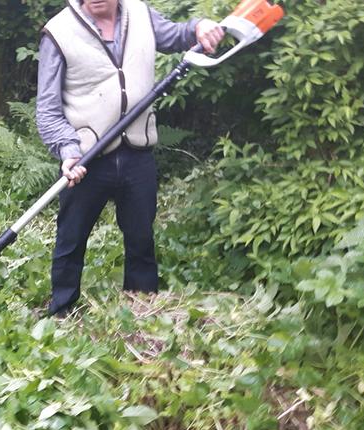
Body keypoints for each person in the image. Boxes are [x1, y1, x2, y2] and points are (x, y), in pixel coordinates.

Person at [36, 0, 224, 316]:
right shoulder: (58, 32)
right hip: (86, 157)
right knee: (71, 239)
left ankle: (142, 310)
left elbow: (178, 36)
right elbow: (48, 109)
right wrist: (68, 152)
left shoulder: (140, 13)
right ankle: (61, 311)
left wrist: (198, 28)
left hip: (138, 152)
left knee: (141, 238)